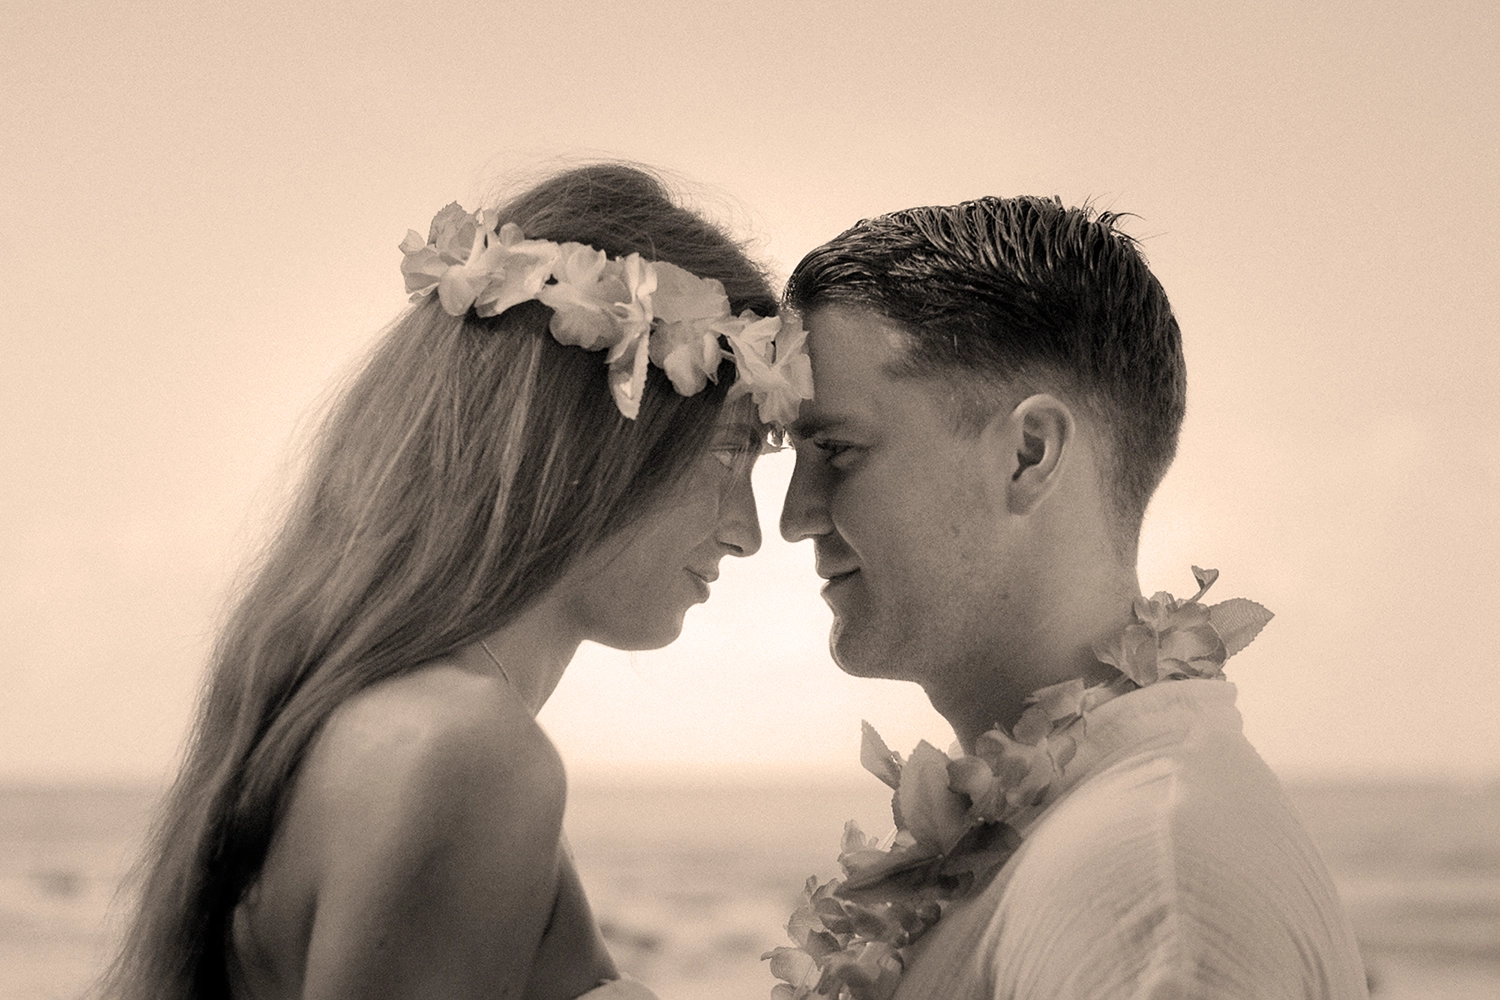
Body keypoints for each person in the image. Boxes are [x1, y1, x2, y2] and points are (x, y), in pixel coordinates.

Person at [102, 163, 810, 1000]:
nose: (747, 533)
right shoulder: (464, 754)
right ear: (596, 432)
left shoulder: (377, 726)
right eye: (728, 454)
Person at [768, 197, 1368, 998]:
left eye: (837, 450)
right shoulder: (1077, 834)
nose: (794, 517)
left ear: (1029, 453)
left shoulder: (1145, 882)